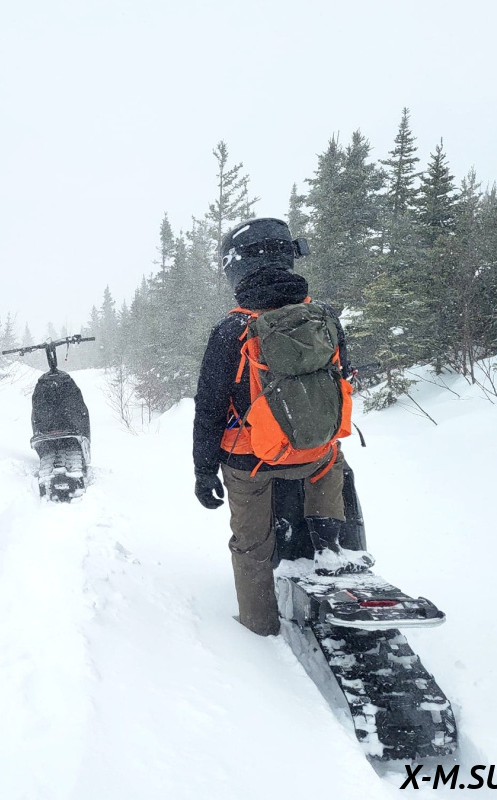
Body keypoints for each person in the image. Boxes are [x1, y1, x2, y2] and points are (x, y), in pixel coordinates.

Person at [192, 217, 373, 637]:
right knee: (331, 462)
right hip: (316, 453)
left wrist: (204, 470)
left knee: (251, 548)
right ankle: (329, 547)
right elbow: (342, 374)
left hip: (252, 462)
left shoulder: (230, 331)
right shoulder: (324, 317)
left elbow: (209, 409)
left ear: (237, 268)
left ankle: (259, 632)